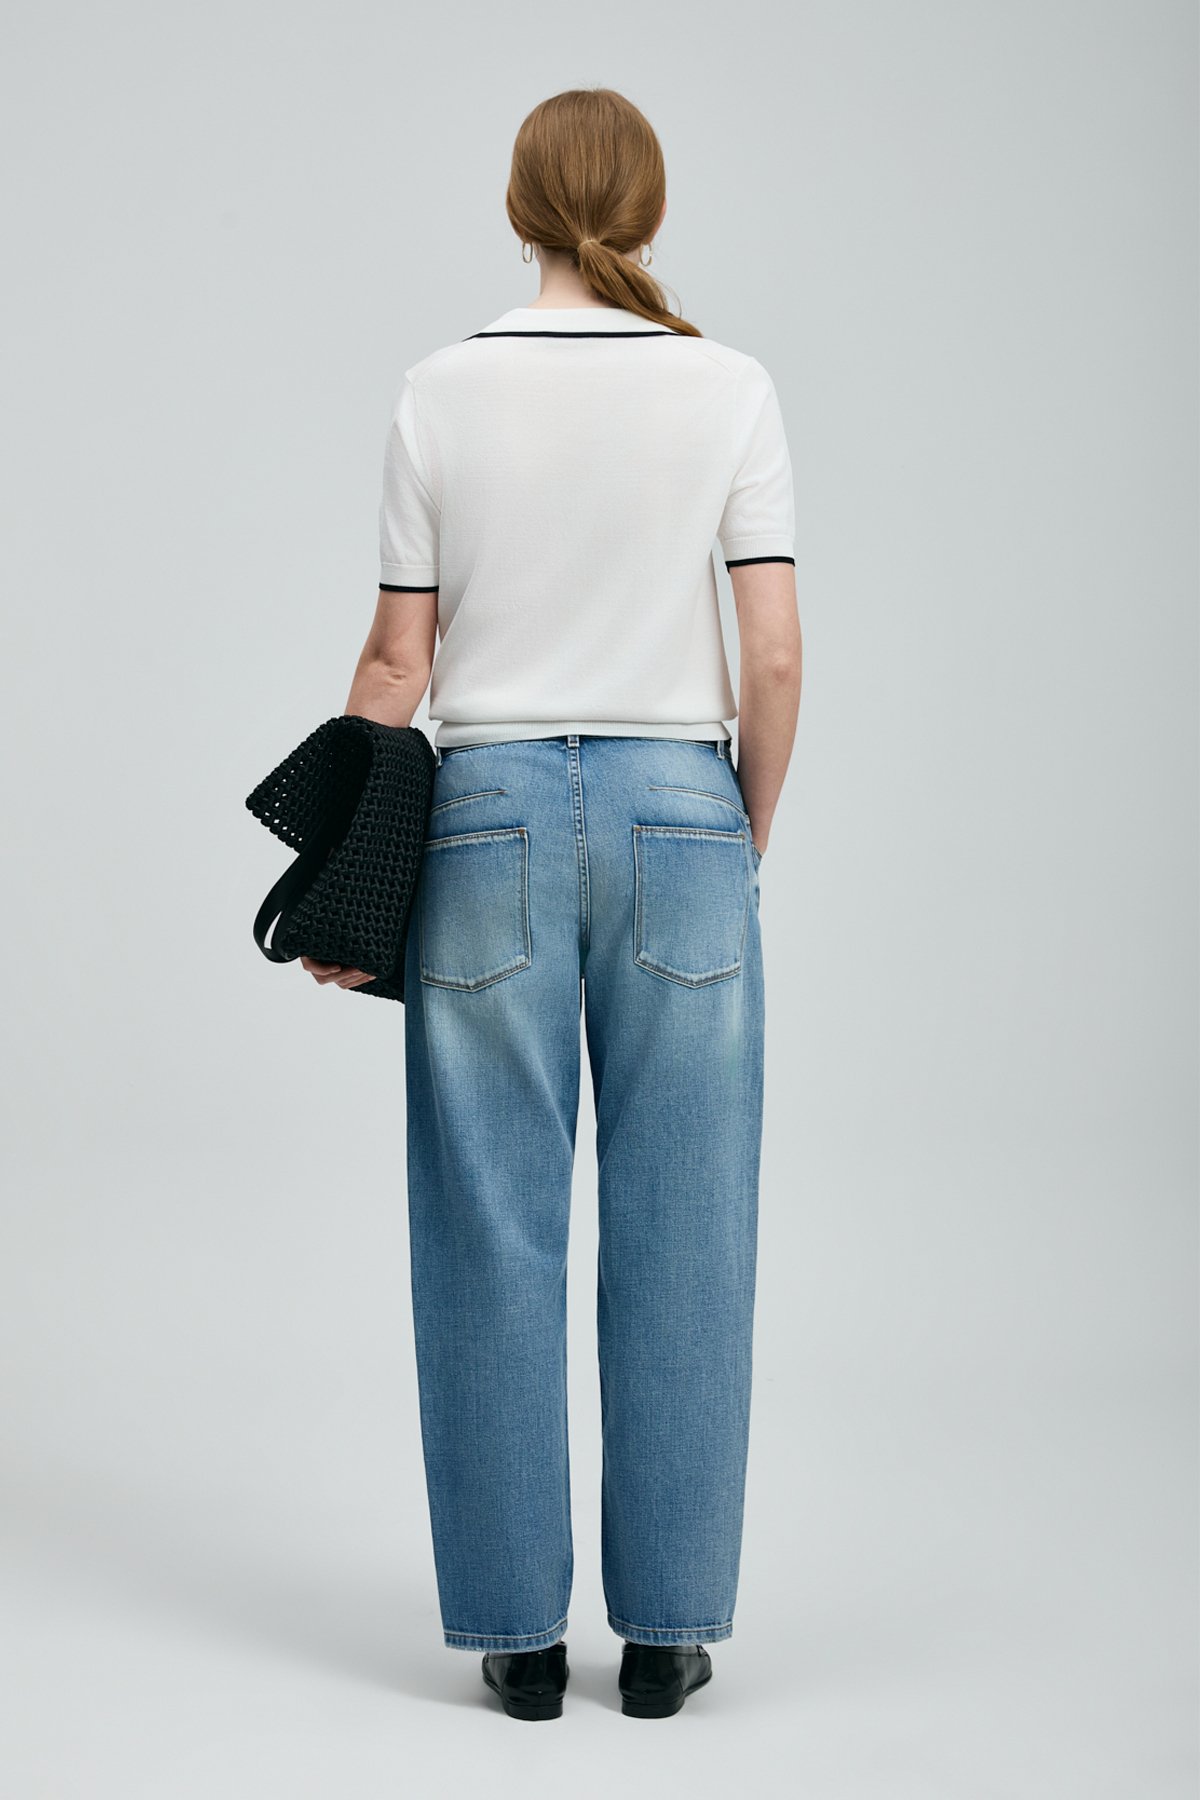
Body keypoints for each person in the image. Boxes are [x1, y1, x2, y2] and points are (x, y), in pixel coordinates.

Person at [302, 86, 803, 1721]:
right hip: (682, 812)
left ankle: (518, 1643)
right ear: (647, 211)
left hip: (488, 821)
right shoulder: (728, 388)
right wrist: (740, 831)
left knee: (486, 1224)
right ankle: (665, 1639)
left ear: (521, 210)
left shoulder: (438, 391)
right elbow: (773, 653)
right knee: (688, 1223)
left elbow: (399, 662)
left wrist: (348, 879)